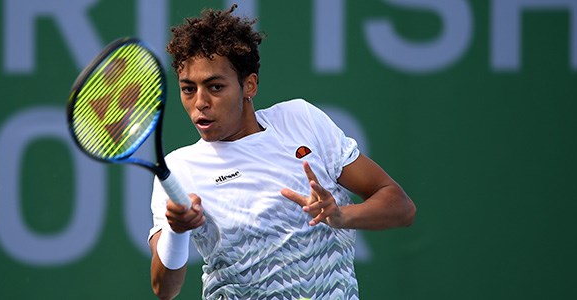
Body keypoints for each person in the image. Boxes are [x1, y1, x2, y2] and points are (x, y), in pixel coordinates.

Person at [148, 5, 416, 300]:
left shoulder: (301, 120)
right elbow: (164, 289)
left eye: (215, 86)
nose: (200, 102)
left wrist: (341, 216)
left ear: (249, 85)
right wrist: (176, 230)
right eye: (188, 89)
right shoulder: (180, 169)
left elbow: (400, 207)